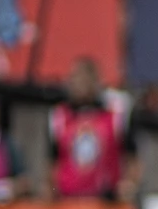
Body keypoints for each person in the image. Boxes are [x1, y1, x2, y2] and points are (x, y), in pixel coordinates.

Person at [47, 57, 141, 201]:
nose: (78, 83)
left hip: (106, 202)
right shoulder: (60, 117)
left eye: (84, 78)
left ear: (96, 81)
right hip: (68, 201)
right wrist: (52, 191)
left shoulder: (115, 115)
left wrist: (130, 185)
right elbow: (53, 163)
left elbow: (133, 158)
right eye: (74, 78)